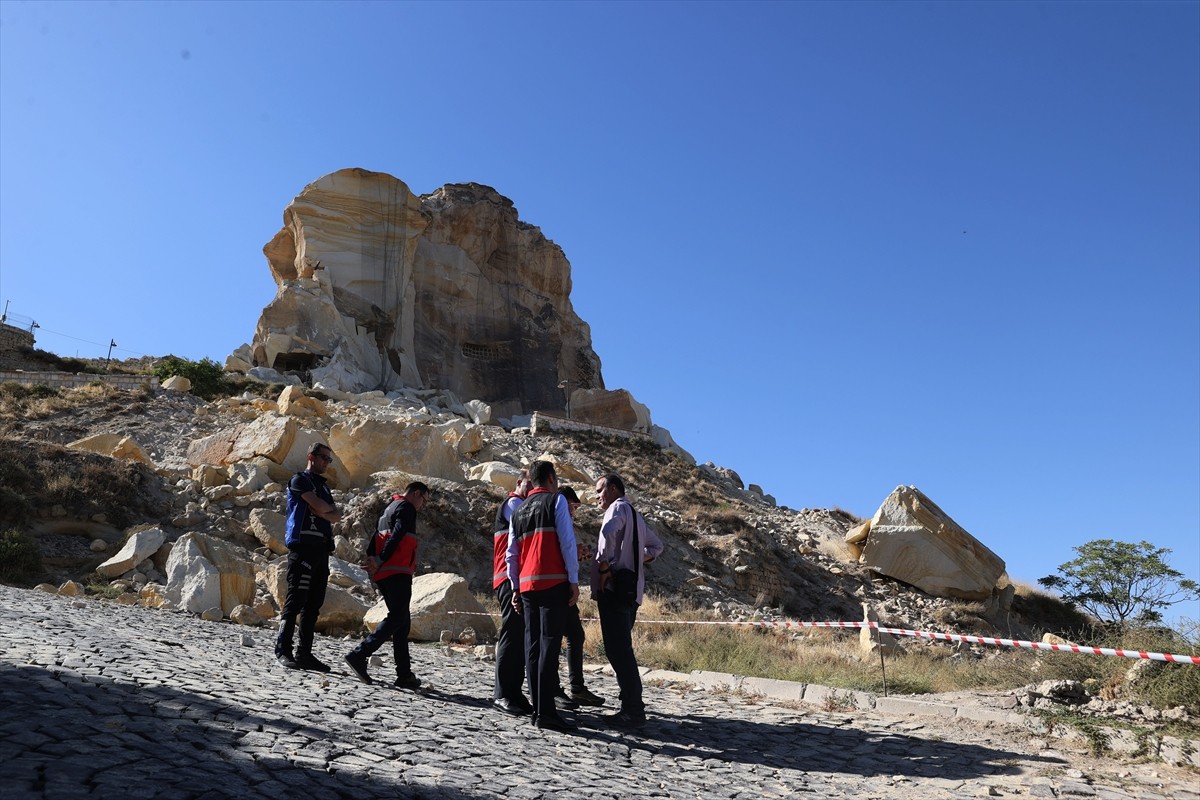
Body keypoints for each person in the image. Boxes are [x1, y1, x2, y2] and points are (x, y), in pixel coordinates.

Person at [505, 460, 579, 733]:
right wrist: (573, 579)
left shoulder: (518, 510)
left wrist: (515, 587)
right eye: (556, 479)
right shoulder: (556, 502)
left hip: (526, 587)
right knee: (549, 646)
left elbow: (511, 555)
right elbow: (567, 542)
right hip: (552, 582)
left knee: (532, 647)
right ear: (550, 478)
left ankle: (537, 709)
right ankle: (546, 712)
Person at [592, 473, 663, 728]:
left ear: (612, 489)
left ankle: (633, 709)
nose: (597, 496)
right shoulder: (636, 515)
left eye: (599, 490)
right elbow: (656, 547)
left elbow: (608, 534)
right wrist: (632, 558)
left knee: (619, 651)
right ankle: (630, 705)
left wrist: (604, 566)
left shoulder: (616, 509)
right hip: (632, 592)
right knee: (621, 648)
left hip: (614, 590)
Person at [344, 482, 430, 689]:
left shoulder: (390, 507)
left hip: (385, 572)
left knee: (402, 622)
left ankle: (404, 674)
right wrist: (381, 559)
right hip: (396, 569)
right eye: (424, 500)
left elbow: (376, 536)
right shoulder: (406, 507)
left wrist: (373, 561)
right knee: (398, 617)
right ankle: (359, 654)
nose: (422, 505)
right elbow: (398, 533)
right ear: (416, 493)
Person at [276, 441, 342, 671]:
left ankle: (304, 653)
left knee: (314, 604)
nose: (327, 463)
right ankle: (283, 650)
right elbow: (319, 507)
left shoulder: (323, 486)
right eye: (324, 458)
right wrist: (323, 509)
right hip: (302, 546)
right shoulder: (299, 479)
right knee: (295, 600)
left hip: (321, 549)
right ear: (312, 456)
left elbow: (336, 516)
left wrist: (322, 509)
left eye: (329, 459)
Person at [552, 485, 605, 710]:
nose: (574, 512)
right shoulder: (555, 515)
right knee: (555, 639)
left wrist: (576, 553)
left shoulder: (561, 518)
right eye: (573, 506)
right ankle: (555, 690)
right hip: (557, 585)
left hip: (563, 584)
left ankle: (576, 688)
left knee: (575, 635)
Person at [492, 470, 535, 716]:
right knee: (511, 632)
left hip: (516, 577)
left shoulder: (520, 504)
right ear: (519, 483)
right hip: (509, 577)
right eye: (528, 484)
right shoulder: (513, 504)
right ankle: (503, 693)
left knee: (519, 634)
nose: (531, 489)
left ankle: (515, 692)